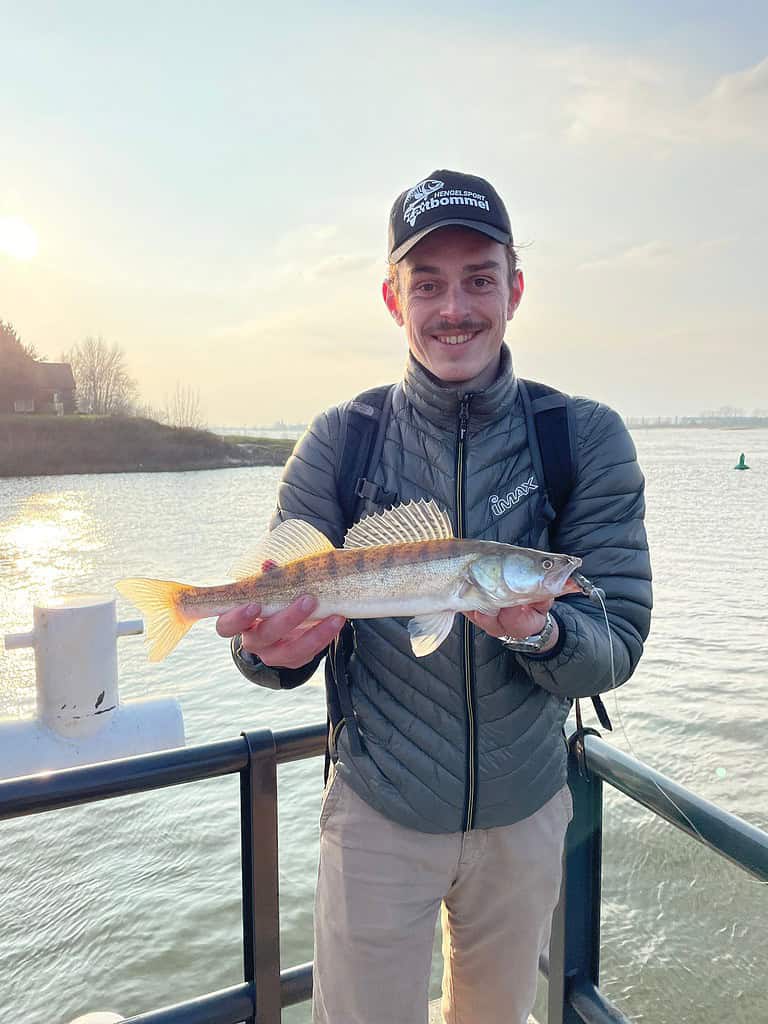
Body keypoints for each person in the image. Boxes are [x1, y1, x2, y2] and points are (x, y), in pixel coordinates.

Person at [216, 169, 652, 1024]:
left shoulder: (582, 438)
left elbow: (617, 634)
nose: (456, 307)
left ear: (515, 288)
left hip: (526, 812)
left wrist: (544, 636)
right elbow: (271, 609)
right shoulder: (341, 443)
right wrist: (263, 649)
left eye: (479, 279)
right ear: (393, 298)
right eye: (428, 283)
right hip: (378, 811)